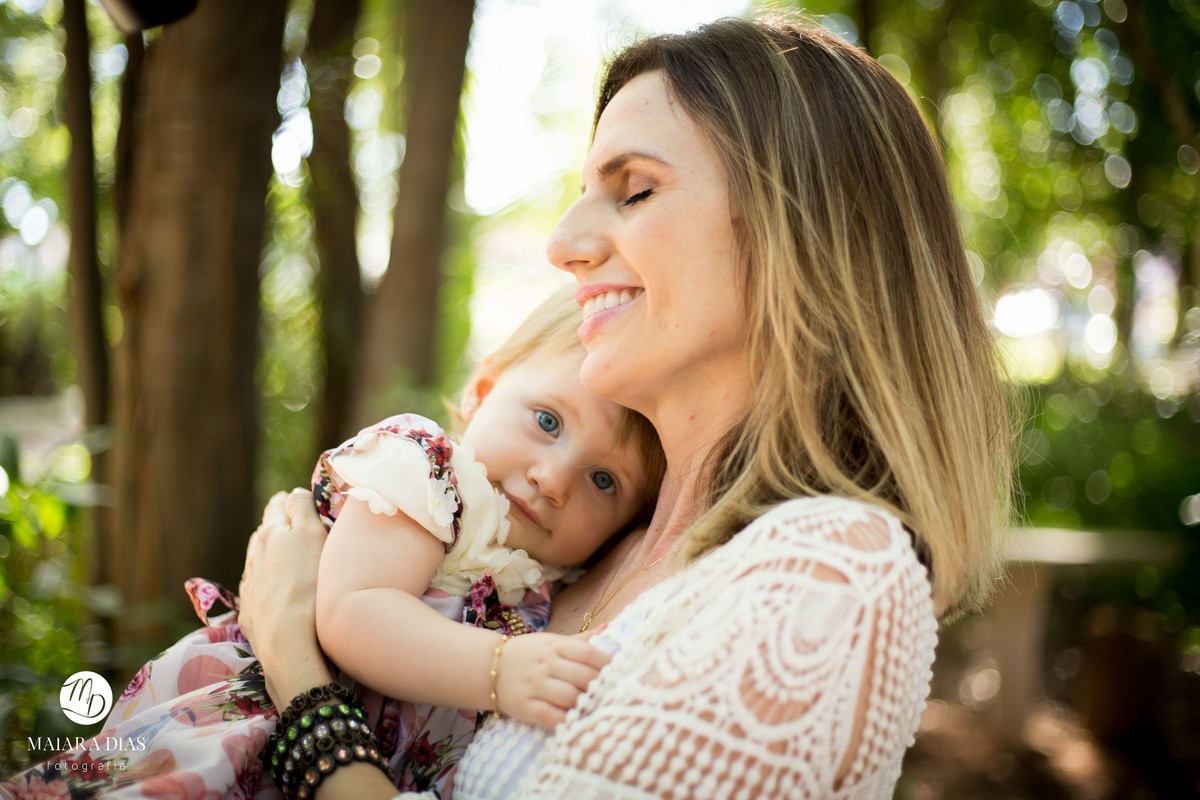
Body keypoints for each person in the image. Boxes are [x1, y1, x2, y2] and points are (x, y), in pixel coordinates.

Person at [235, 12, 1016, 800]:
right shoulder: (576, 548)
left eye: (634, 190)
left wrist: (300, 680)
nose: (562, 242)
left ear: (802, 233)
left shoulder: (830, 575)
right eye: (582, 193)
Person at [0, 287, 664, 800]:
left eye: (605, 480)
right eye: (547, 420)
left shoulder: (552, 585)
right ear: (482, 389)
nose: (554, 480)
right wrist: (500, 670)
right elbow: (354, 611)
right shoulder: (431, 474)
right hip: (242, 735)